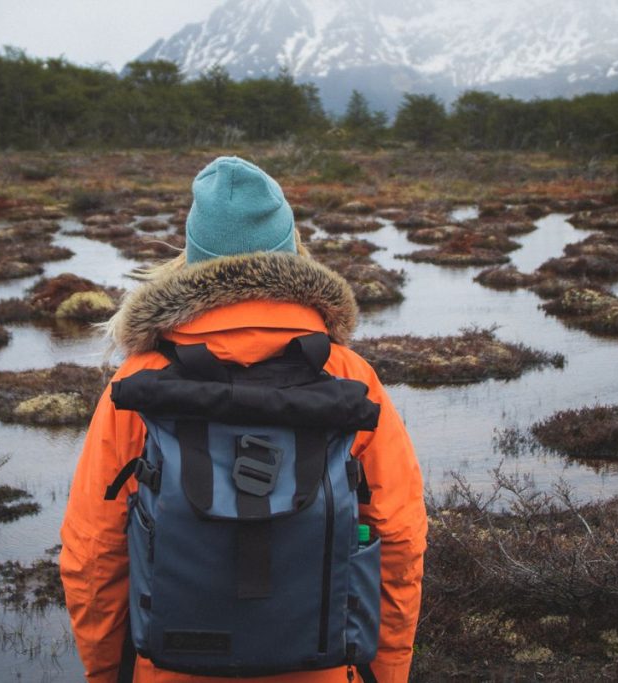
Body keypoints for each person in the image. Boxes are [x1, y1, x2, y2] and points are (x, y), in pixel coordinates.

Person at [60, 156, 427, 683]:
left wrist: (106, 675)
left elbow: (93, 554)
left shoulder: (141, 382)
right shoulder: (348, 375)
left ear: (191, 257)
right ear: (292, 251)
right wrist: (385, 675)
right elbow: (399, 538)